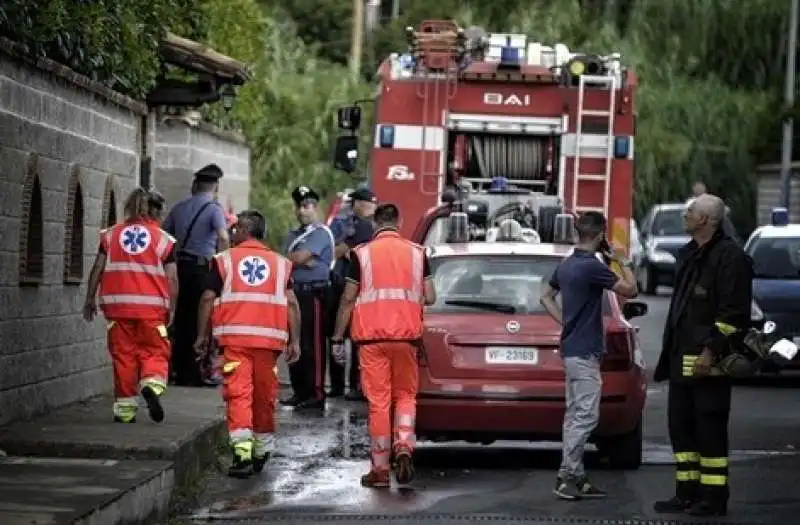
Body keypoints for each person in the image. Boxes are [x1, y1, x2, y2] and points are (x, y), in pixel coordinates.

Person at [652, 194, 752, 518]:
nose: (685, 214)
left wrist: (711, 351)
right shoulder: (690, 254)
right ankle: (686, 494)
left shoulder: (730, 258)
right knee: (681, 426)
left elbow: (733, 314)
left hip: (710, 359)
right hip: (682, 355)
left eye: (691, 211)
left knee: (708, 429)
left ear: (706, 220)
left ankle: (713, 497)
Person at [330, 203, 436, 488]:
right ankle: (404, 446)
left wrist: (338, 337)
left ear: (376, 224)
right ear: (399, 222)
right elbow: (431, 295)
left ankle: (379, 468)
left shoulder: (360, 254)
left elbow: (349, 298)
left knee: (378, 403)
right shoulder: (418, 253)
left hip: (372, 340)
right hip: (406, 339)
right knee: (405, 397)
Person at [539, 211, 638, 501]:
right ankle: (567, 477)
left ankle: (577, 476)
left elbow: (545, 296)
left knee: (574, 415)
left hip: (572, 349)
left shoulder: (567, 264)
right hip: (584, 352)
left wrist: (565, 322)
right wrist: (621, 260)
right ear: (600, 235)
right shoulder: (591, 267)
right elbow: (630, 290)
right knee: (586, 415)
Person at [194, 210, 301, 478]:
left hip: (235, 340)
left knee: (239, 393)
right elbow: (292, 303)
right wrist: (295, 340)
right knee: (264, 396)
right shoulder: (281, 264)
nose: (231, 233)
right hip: (269, 342)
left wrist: (201, 336)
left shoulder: (223, 261)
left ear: (243, 230)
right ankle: (262, 449)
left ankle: (242, 454)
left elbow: (208, 298)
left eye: (234, 229)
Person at [82, 188, 179, 424]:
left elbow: (97, 267)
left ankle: (125, 411)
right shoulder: (163, 240)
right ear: (155, 211)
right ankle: (151, 386)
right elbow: (172, 278)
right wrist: (172, 308)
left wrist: (89, 298)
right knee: (154, 351)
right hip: (152, 310)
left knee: (123, 357)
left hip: (117, 308)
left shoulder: (111, 236)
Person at [162, 164, 230, 386]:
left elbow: (164, 235)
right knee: (200, 321)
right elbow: (223, 237)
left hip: (179, 268)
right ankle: (195, 373)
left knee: (180, 320)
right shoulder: (214, 209)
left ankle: (177, 370)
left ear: (195, 185)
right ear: (215, 186)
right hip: (202, 269)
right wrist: (221, 263)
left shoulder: (179, 208)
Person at [281, 185, 335, 409]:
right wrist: (299, 259)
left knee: (312, 344)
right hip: (294, 292)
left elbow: (300, 257)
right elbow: (287, 259)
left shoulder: (321, 233)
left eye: (308, 206)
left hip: (314, 293)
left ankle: (316, 391)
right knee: (295, 342)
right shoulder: (293, 235)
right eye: (300, 206)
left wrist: (301, 259)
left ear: (316, 208)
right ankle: (299, 390)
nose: (304, 211)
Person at [328, 187, 377, 401]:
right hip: (340, 280)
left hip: (363, 285)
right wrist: (347, 244)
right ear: (356, 203)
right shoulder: (341, 223)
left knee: (360, 337)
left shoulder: (375, 226)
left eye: (371, 204)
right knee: (335, 333)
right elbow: (331, 250)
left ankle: (357, 385)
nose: (369, 207)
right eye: (365, 203)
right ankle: (337, 385)